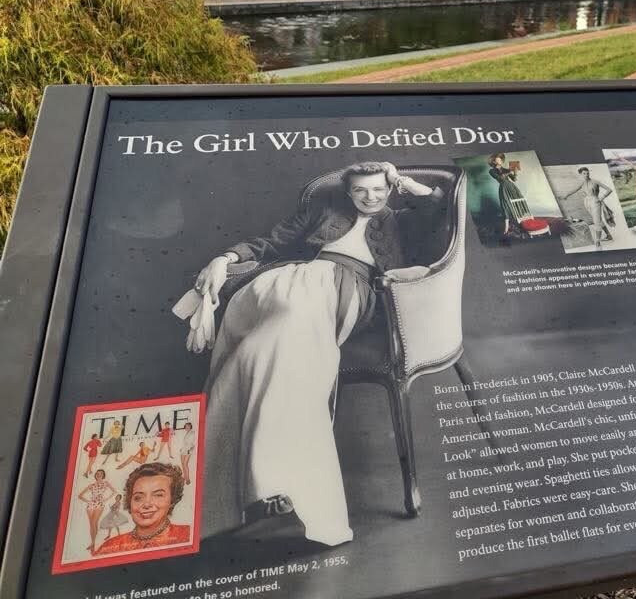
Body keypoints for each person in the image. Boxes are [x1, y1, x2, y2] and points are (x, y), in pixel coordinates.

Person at [194, 162, 445, 546]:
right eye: (360, 191)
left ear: (390, 189)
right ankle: (239, 498)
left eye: (378, 190)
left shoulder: (399, 220)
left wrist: (405, 183)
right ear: (348, 193)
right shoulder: (324, 210)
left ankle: (273, 488)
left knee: (262, 352)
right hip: (291, 281)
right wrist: (225, 258)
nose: (370, 197)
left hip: (347, 293)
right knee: (250, 356)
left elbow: (436, 209)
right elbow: (270, 242)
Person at [93, 464, 191, 555]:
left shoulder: (188, 536)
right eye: (138, 498)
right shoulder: (109, 547)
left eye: (158, 495)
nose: (146, 504)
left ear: (172, 500)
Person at [558, 167, 614, 248]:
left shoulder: (595, 181)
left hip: (595, 201)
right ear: (581, 174)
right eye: (584, 173)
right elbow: (574, 190)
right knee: (598, 220)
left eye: (587, 173)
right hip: (587, 202)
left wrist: (601, 198)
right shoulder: (582, 183)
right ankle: (609, 235)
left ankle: (597, 242)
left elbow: (609, 190)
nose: (586, 175)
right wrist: (565, 196)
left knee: (596, 221)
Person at [488, 153, 530, 236]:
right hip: (504, 187)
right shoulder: (491, 171)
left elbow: (514, 179)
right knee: (505, 205)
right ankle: (506, 227)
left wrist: (515, 172)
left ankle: (522, 222)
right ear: (494, 161)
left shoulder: (506, 169)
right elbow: (500, 178)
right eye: (497, 159)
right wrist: (509, 172)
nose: (499, 160)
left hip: (512, 186)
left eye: (500, 159)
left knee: (519, 202)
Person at [77, 469, 116, 553]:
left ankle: (93, 543)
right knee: (91, 524)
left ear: (103, 475)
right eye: (97, 473)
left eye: (101, 473)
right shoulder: (92, 485)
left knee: (94, 522)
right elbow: (79, 495)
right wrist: (88, 501)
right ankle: (92, 543)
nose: (99, 475)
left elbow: (114, 491)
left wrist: (106, 499)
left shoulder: (106, 483)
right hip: (90, 505)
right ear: (95, 475)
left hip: (99, 504)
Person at [179, 422, 196, 486]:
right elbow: (184, 443)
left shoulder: (193, 433)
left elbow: (194, 443)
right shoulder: (186, 433)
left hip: (189, 450)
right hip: (183, 450)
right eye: (185, 426)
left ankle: (188, 479)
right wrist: (181, 449)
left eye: (188, 426)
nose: (186, 427)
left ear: (190, 426)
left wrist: (191, 449)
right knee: (183, 464)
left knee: (185, 464)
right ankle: (184, 477)